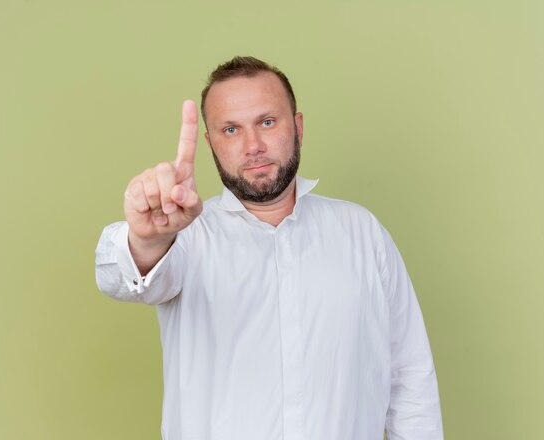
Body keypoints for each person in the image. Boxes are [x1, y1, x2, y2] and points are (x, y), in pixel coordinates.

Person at [95, 56, 443, 440]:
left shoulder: (362, 232)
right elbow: (123, 278)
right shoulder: (188, 238)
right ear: (211, 143)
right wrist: (148, 238)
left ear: (297, 127)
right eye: (231, 129)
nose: (253, 146)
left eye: (267, 122)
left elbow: (410, 378)